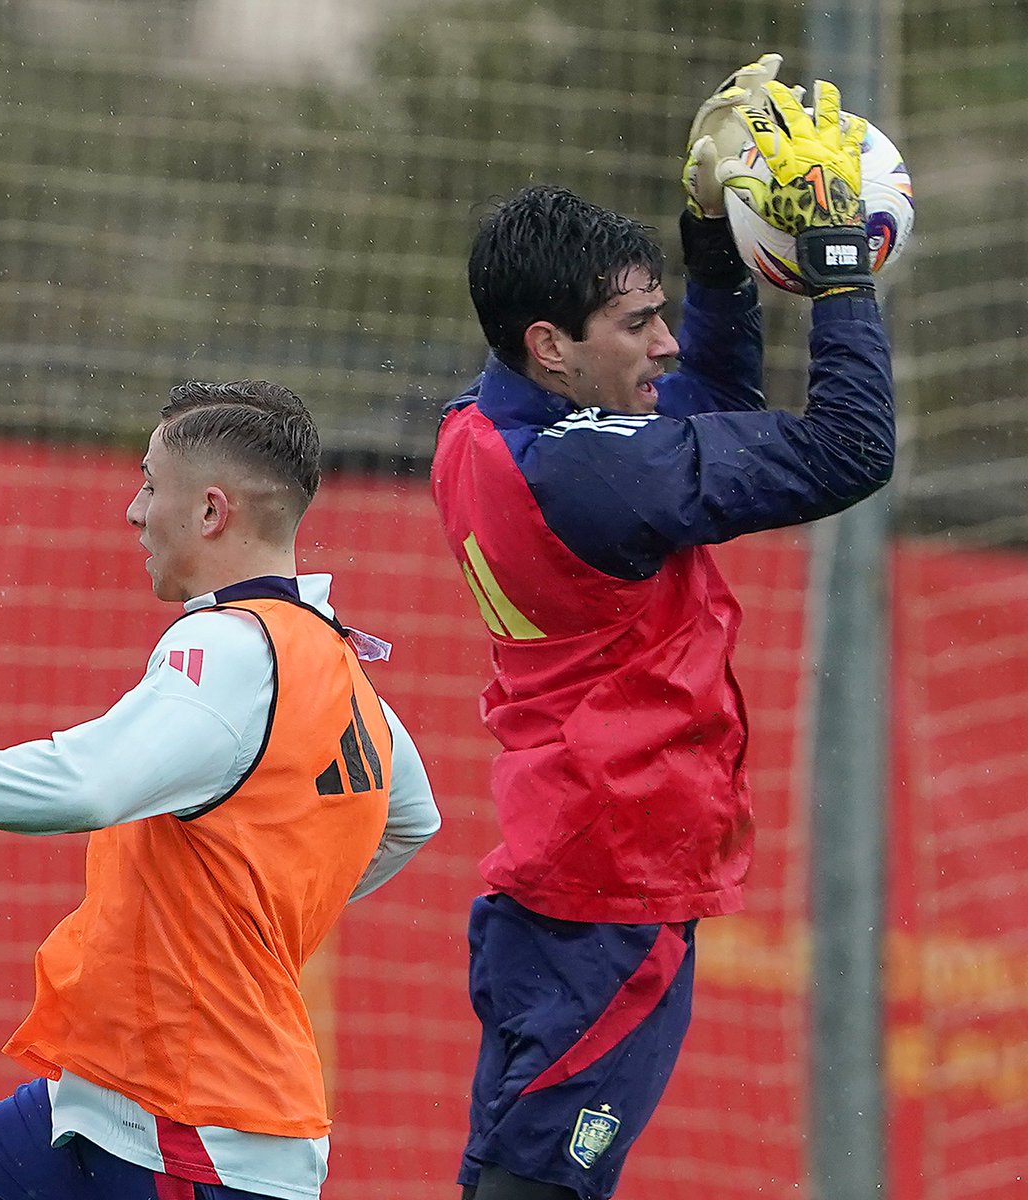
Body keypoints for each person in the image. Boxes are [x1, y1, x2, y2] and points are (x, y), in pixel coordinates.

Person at [430, 58, 895, 1200]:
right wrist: (838, 266)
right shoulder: (595, 475)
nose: (665, 343)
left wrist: (711, 246)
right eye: (638, 324)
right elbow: (851, 449)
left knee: (512, 1179)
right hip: (611, 888)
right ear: (550, 344)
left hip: (557, 875)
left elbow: (700, 420)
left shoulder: (480, 430)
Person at [0, 379, 440, 1200]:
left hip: (194, 1137)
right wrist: (261, 920)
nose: (133, 509)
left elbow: (82, 787)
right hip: (97, 1111)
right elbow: (412, 817)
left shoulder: (228, 650)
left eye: (152, 484)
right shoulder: (336, 663)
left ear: (211, 512)